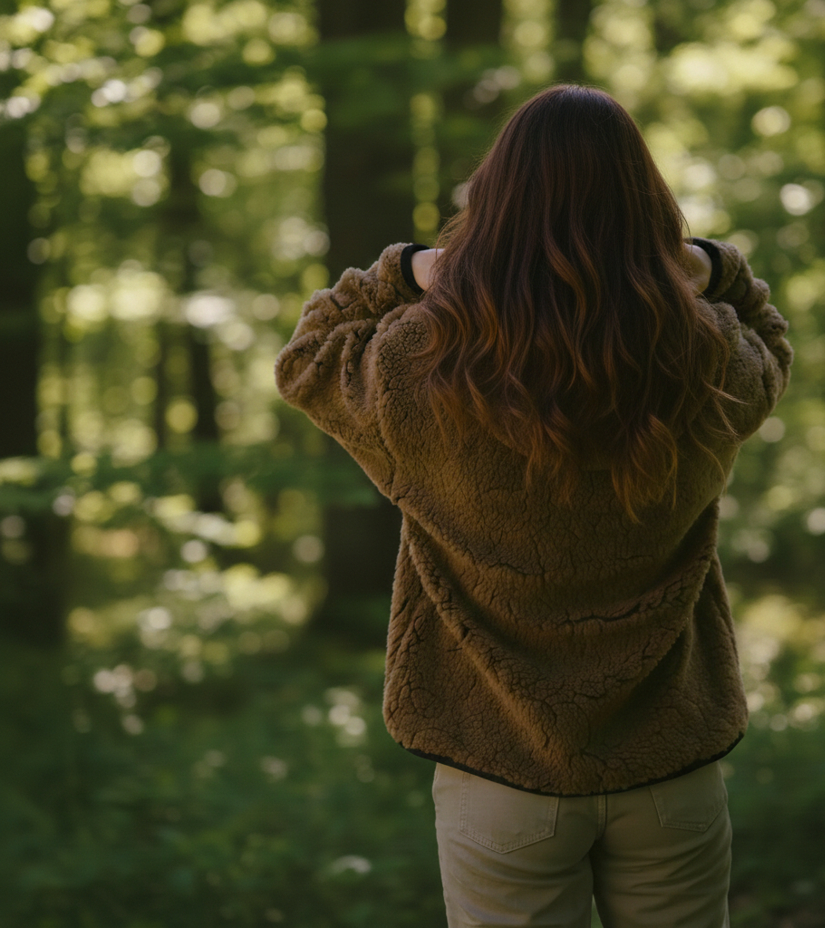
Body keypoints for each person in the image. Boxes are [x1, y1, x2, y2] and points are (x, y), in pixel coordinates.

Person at [276, 84, 792, 928]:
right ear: (646, 204)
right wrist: (711, 265)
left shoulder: (419, 362)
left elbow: (305, 359)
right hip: (669, 764)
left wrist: (409, 268)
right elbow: (768, 339)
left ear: (496, 201)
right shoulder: (704, 354)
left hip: (497, 773)